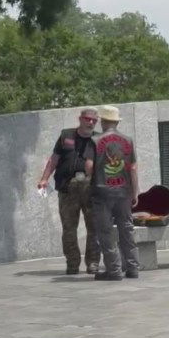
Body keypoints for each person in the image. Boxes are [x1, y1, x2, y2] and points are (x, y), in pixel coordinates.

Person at [37, 107, 101, 275]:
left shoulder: (99, 139)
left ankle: (93, 262)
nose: (91, 122)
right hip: (68, 187)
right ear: (80, 119)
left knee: (94, 227)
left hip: (91, 188)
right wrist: (44, 179)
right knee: (69, 228)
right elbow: (55, 158)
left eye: (94, 120)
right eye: (87, 119)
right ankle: (72, 263)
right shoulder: (66, 135)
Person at [84, 105, 141, 281]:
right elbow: (132, 168)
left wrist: (88, 178)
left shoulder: (94, 140)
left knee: (105, 232)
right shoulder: (128, 140)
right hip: (124, 193)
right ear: (116, 122)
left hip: (102, 193)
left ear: (103, 121)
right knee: (127, 230)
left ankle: (114, 270)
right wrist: (135, 192)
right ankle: (133, 268)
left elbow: (89, 166)